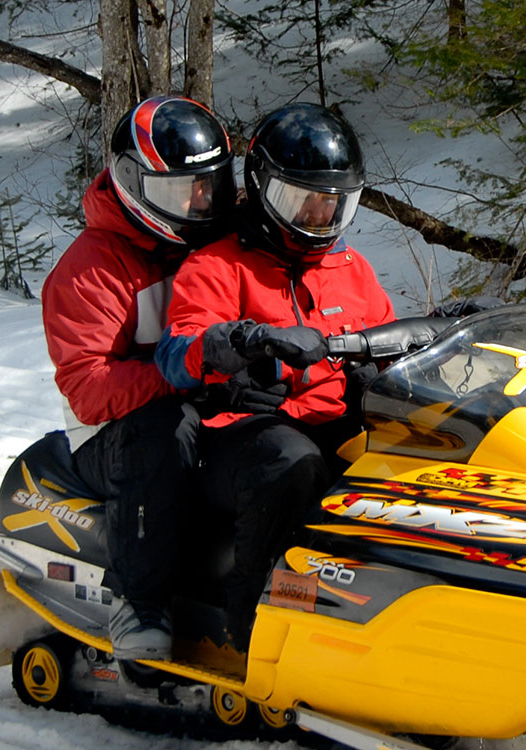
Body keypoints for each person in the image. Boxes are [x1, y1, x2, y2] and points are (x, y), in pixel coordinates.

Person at [155, 103, 397, 642]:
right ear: (263, 189)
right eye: (304, 202)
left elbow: (386, 342)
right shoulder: (217, 265)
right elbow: (177, 353)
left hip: (330, 419)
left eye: (334, 205)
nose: (319, 219)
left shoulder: (349, 269)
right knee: (293, 463)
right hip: (241, 434)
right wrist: (243, 339)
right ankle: (250, 626)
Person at [41, 95, 236, 661]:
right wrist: (187, 374)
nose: (200, 203)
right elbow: (89, 387)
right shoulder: (91, 269)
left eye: (211, 186)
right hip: (108, 434)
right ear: (136, 185)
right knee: (161, 428)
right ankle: (140, 601)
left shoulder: (221, 244)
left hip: (207, 406)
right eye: (182, 191)